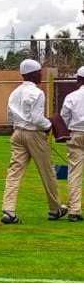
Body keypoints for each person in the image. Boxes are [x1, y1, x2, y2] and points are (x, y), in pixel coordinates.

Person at [1, 59, 67, 224]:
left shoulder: (15, 92)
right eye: (39, 72)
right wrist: (48, 124)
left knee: (14, 172)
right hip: (34, 134)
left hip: (17, 133)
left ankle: (8, 210)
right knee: (48, 172)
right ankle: (55, 208)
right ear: (31, 73)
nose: (41, 75)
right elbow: (36, 117)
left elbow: (10, 115)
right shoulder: (38, 93)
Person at [60, 66, 84, 222]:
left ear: (78, 79)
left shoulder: (71, 96)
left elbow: (64, 117)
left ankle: (74, 211)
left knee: (74, 172)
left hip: (75, 134)